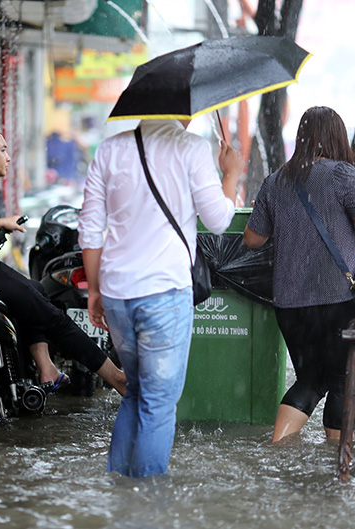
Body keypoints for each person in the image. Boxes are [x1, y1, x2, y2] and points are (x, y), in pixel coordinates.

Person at [79, 118, 244, 477]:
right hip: (164, 296)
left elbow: (90, 228)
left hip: (118, 293)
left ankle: (120, 494)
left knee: (136, 393)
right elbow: (217, 220)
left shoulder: (109, 149)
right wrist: (230, 174)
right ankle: (148, 505)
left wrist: (94, 290)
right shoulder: (192, 148)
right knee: (158, 404)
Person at [0, 121, 126, 395]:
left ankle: (46, 368)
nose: (8, 157)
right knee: (54, 317)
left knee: (35, 289)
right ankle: (117, 378)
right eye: (3, 150)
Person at [243, 106, 355, 442]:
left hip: (289, 304)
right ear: (336, 136)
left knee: (311, 379)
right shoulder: (341, 174)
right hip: (337, 298)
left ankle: (279, 445)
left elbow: (252, 239)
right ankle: (338, 455)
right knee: (345, 378)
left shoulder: (275, 181)